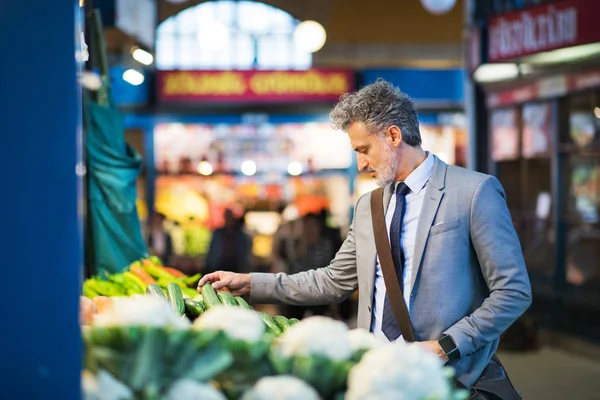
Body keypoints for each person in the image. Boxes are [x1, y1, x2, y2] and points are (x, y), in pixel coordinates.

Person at [199, 80, 532, 397]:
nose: (360, 163)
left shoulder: (473, 192)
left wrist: (445, 346)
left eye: (363, 149)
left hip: (447, 379)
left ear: (393, 135)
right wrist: (251, 284)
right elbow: (332, 281)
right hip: (373, 379)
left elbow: (513, 292)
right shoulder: (369, 206)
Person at [205, 208, 252, 274]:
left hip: (235, 265)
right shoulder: (218, 232)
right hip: (219, 264)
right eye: (227, 216)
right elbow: (212, 249)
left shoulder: (240, 234)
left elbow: (245, 250)